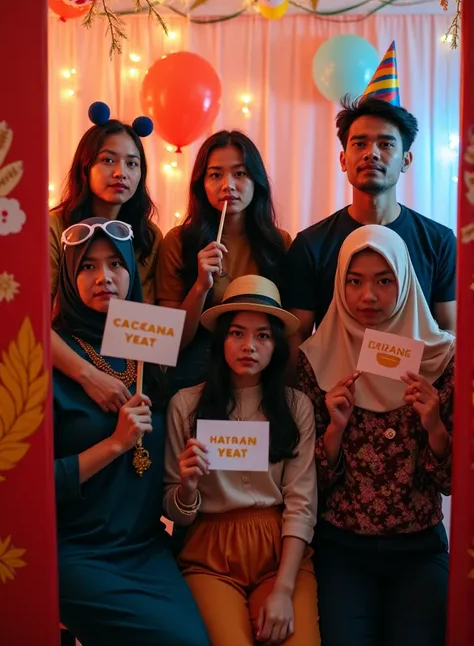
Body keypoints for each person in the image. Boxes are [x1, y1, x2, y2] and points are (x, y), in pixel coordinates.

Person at [52, 217, 210, 646]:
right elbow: (32, 486)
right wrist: (114, 444)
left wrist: (188, 482)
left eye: (115, 265)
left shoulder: (148, 356)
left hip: (144, 547)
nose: (104, 278)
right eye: (87, 267)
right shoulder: (49, 365)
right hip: (75, 552)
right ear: (67, 276)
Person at [296, 224, 455, 646]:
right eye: (355, 281)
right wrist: (335, 429)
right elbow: (305, 482)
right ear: (339, 284)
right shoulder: (315, 360)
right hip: (341, 547)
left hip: (418, 547)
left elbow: (454, 483)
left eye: (384, 281)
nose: (368, 296)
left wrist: (435, 424)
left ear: (404, 282)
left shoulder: (442, 359)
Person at [163, 275, 320, 646]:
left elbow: (302, 501)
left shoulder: (296, 405)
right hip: (209, 551)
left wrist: (283, 589)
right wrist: (186, 487)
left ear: (276, 345)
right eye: (237, 333)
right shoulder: (185, 405)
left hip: (279, 546)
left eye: (262, 335)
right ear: (221, 341)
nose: (249, 345)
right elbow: (175, 511)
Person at [284, 95, 456, 377]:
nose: (371, 153)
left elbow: (449, 329)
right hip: (334, 397)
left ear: (406, 159)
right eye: (359, 143)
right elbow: (298, 337)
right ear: (343, 159)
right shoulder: (311, 244)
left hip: (416, 397)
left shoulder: (439, 241)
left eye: (386, 144)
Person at [157, 130, 292, 392]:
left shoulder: (280, 243)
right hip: (197, 368)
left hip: (260, 368)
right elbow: (169, 343)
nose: (227, 185)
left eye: (240, 173)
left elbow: (285, 329)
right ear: (201, 184)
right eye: (215, 174)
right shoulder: (178, 241)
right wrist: (200, 287)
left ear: (257, 181)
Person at [50, 102, 162, 412]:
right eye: (108, 160)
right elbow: (32, 321)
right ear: (84, 168)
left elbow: (143, 318)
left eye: (132, 163)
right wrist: (88, 375)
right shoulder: (55, 227)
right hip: (64, 357)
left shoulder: (149, 236)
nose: (120, 173)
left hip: (125, 363)